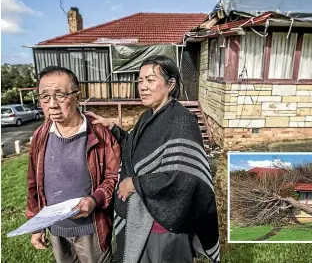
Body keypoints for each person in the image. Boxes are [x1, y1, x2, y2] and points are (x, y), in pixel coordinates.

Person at [86, 55, 220, 263]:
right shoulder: (148, 116)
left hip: (164, 228)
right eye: (140, 81)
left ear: (170, 84)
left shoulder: (182, 120)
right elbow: (138, 148)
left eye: (150, 80)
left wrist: (136, 183)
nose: (143, 87)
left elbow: (185, 177)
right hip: (140, 218)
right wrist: (112, 128)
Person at [27, 66, 120, 263]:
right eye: (44, 97)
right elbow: (33, 184)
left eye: (60, 95)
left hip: (91, 228)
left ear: (77, 97)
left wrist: (94, 200)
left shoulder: (99, 134)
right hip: (55, 228)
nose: (52, 104)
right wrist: (36, 225)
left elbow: (114, 177)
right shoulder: (40, 136)